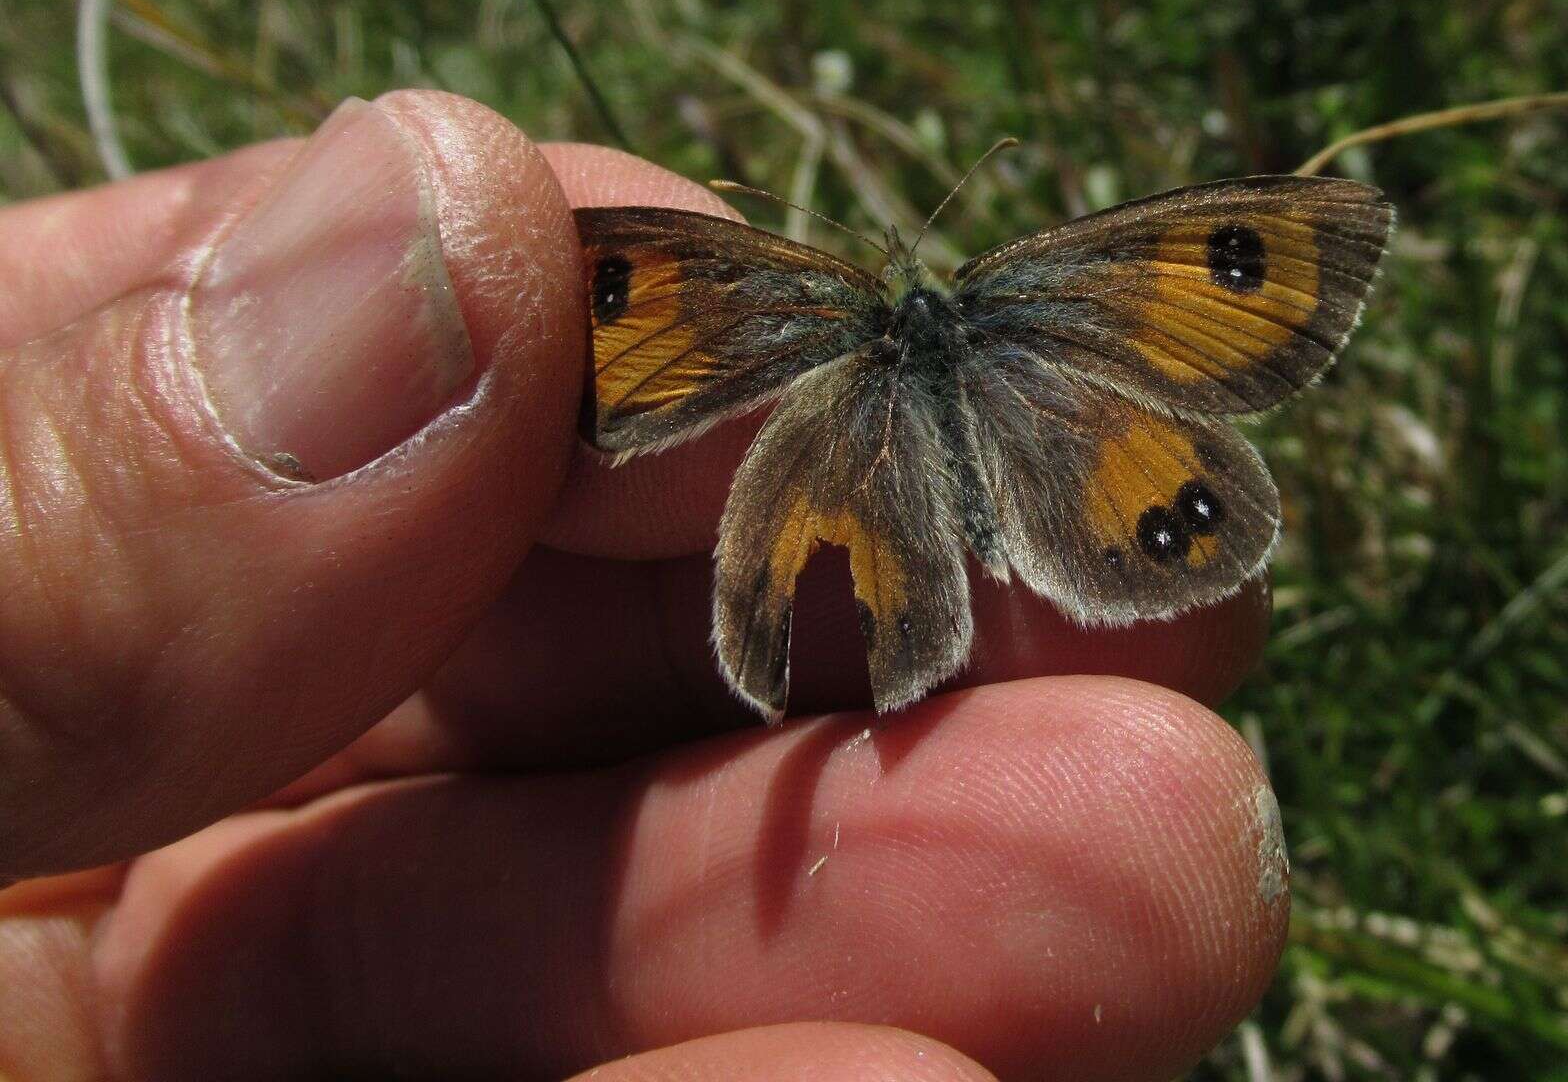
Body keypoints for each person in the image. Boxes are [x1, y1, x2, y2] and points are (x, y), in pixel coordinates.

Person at [0, 92, 1287, 1081]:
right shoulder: (963, 296)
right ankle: (965, 584)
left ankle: (948, 590)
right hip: (984, 420)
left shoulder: (815, 305)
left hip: (905, 427)